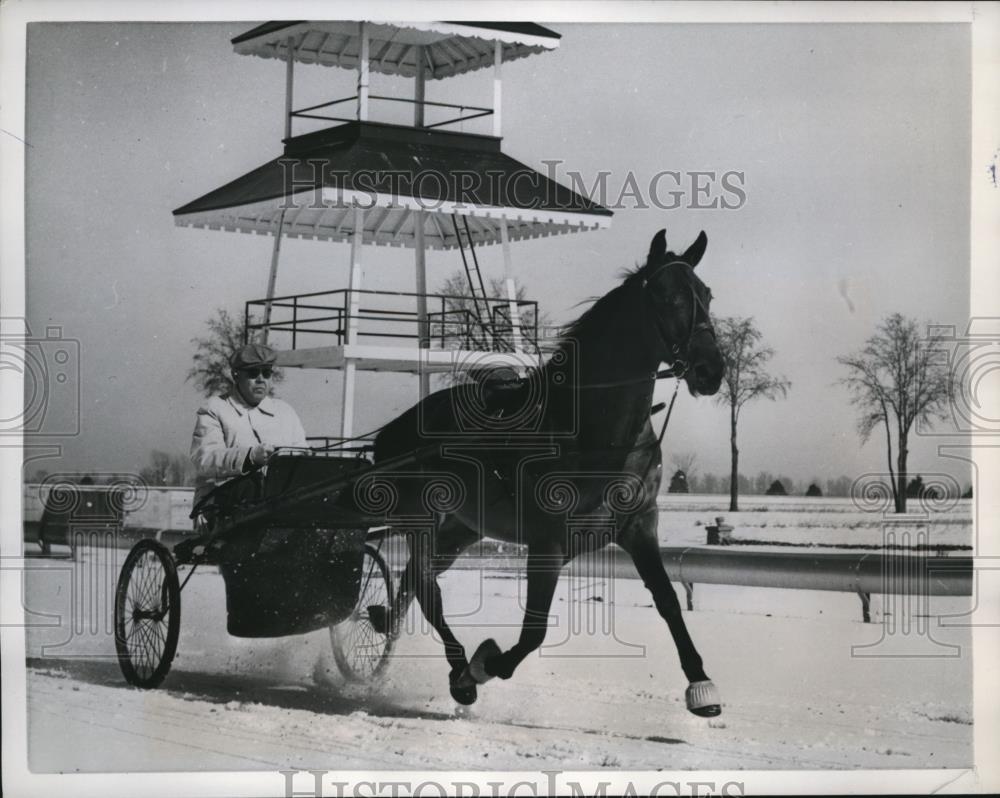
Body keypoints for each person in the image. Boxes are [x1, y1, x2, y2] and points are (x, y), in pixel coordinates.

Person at [190, 342, 307, 507]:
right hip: (223, 505)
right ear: (236, 375)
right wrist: (250, 457)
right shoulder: (215, 408)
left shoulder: (285, 412)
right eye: (253, 373)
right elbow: (205, 460)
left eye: (266, 373)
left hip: (277, 503)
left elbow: (301, 455)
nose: (260, 379)